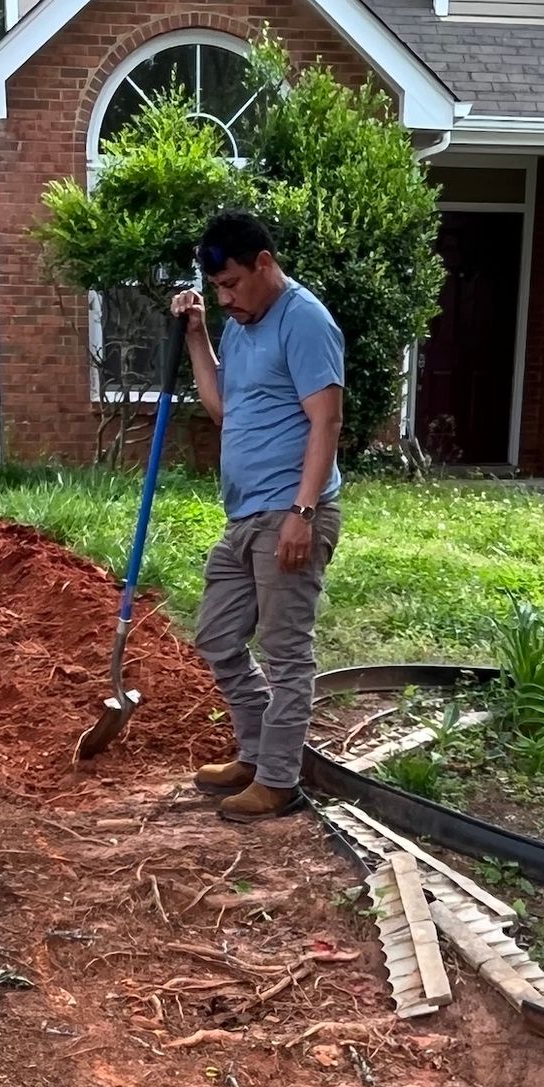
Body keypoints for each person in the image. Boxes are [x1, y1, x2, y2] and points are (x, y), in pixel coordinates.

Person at [170, 211, 345, 822]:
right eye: (216, 289)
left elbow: (327, 421)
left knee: (285, 650)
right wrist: (198, 335)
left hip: (291, 512)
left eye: (233, 285)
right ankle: (256, 752)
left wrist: (303, 511)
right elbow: (223, 409)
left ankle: (278, 778)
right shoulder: (242, 327)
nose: (226, 299)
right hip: (244, 516)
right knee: (217, 634)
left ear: (264, 265)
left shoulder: (304, 321)